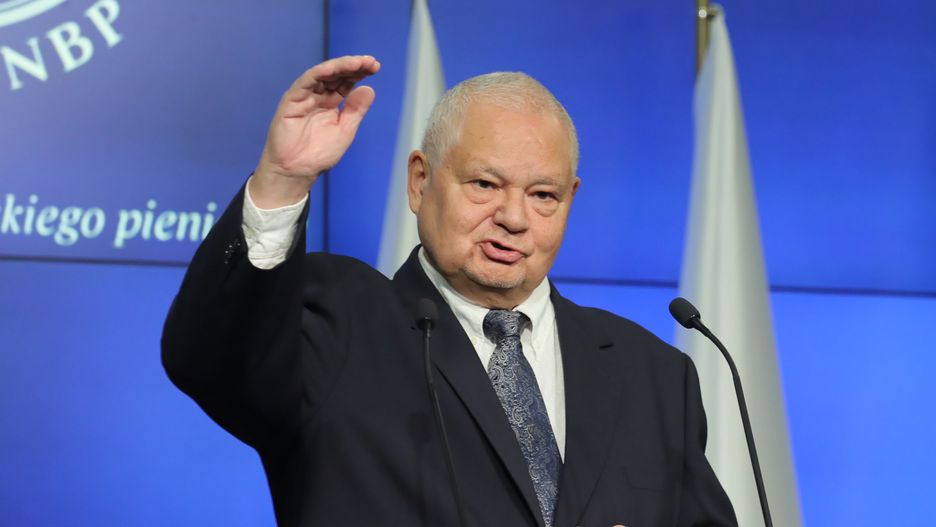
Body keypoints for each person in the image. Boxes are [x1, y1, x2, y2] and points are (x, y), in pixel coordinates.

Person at [162, 55, 737, 527]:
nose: (514, 218)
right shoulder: (339, 325)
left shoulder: (653, 375)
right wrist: (283, 179)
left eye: (544, 195)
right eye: (485, 184)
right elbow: (211, 359)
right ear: (420, 181)